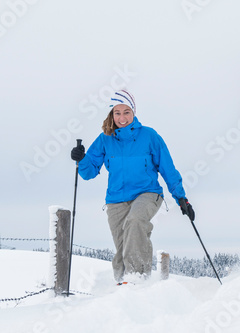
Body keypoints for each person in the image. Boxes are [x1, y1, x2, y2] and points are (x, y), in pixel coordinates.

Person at [71, 89, 195, 283]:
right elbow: (88, 172)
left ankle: (137, 279)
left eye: (126, 112)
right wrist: (81, 159)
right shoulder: (105, 138)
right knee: (123, 246)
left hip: (147, 193)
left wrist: (181, 198)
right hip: (116, 199)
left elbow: (168, 168)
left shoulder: (149, 136)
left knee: (135, 221)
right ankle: (121, 286)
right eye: (117, 112)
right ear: (111, 114)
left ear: (134, 112)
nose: (122, 118)